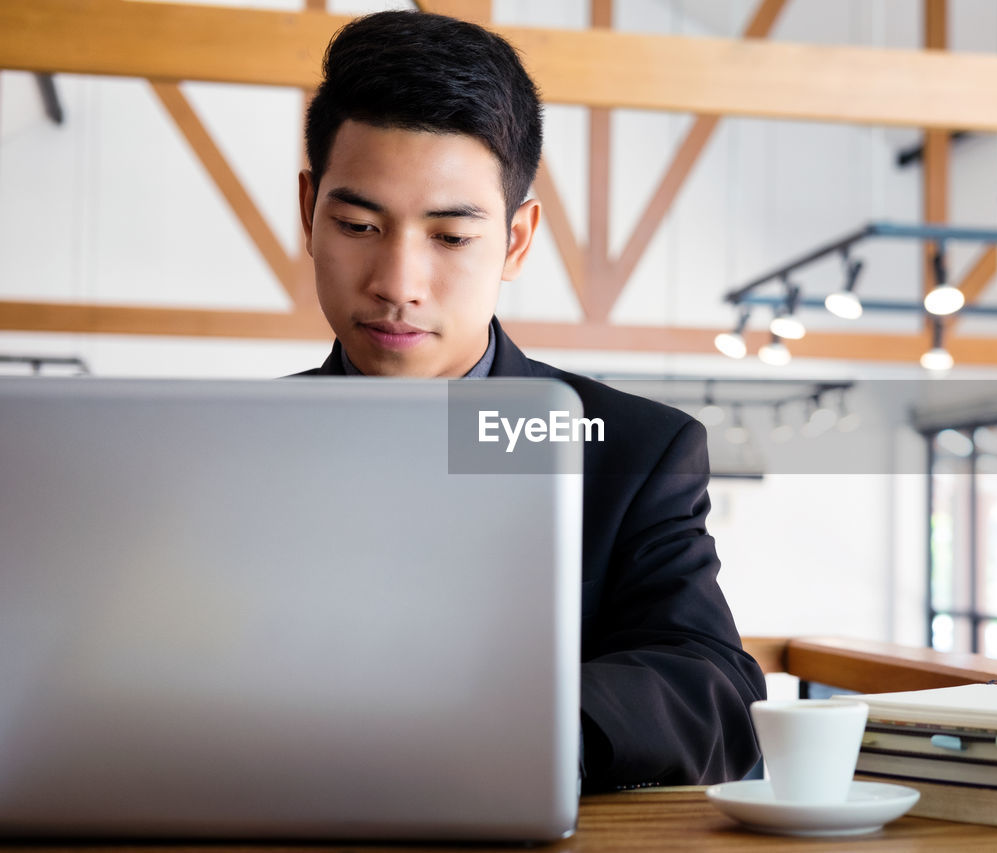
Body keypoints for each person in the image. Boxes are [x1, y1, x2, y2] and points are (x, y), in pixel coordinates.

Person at [293, 10, 765, 792]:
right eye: (358, 223)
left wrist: (514, 724)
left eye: (450, 237)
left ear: (515, 240)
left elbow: (714, 689)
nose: (397, 284)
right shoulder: (225, 445)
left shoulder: (632, 450)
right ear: (310, 211)